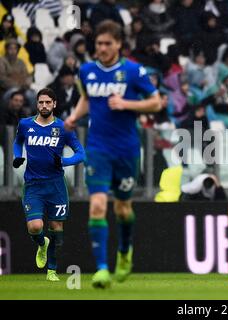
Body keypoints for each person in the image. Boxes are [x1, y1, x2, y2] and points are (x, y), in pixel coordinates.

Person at [64, 20, 161, 289]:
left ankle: (125, 250)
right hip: (97, 148)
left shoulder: (132, 71)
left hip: (127, 149)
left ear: (118, 44)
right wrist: (73, 117)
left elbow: (155, 102)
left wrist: (126, 103)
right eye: (99, 44)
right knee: (97, 204)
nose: (102, 48)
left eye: (107, 43)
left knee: (122, 209)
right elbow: (87, 98)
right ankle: (102, 269)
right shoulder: (86, 71)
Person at [12, 87, 85, 282]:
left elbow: (81, 154)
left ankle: (52, 271)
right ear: (37, 104)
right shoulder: (26, 124)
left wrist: (63, 161)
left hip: (55, 186)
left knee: (57, 231)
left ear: (54, 104)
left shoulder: (63, 128)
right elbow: (17, 142)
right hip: (33, 184)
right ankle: (41, 244)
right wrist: (18, 156)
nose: (44, 105)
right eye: (41, 102)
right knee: (36, 227)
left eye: (47, 102)